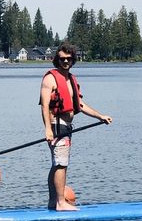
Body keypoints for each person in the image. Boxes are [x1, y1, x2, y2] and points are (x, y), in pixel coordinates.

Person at [39, 42, 112, 211]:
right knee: (61, 164)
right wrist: (48, 129)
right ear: (57, 59)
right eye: (62, 59)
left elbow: (80, 105)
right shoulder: (50, 78)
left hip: (66, 126)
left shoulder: (71, 79)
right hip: (57, 126)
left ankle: (53, 202)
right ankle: (60, 202)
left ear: (73, 60)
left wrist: (100, 116)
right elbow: (44, 106)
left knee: (58, 163)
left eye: (69, 59)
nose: (65, 62)